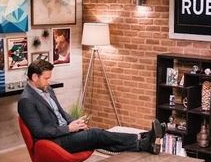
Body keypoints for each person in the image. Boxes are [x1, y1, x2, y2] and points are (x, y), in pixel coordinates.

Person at [18, 58, 161, 154]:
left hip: (66, 132)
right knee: (96, 134)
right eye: (46, 78)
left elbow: (60, 112)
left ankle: (143, 143)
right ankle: (143, 138)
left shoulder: (46, 89)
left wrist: (75, 122)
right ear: (34, 77)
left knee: (100, 138)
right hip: (54, 142)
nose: (48, 82)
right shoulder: (26, 100)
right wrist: (68, 128)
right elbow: (40, 132)